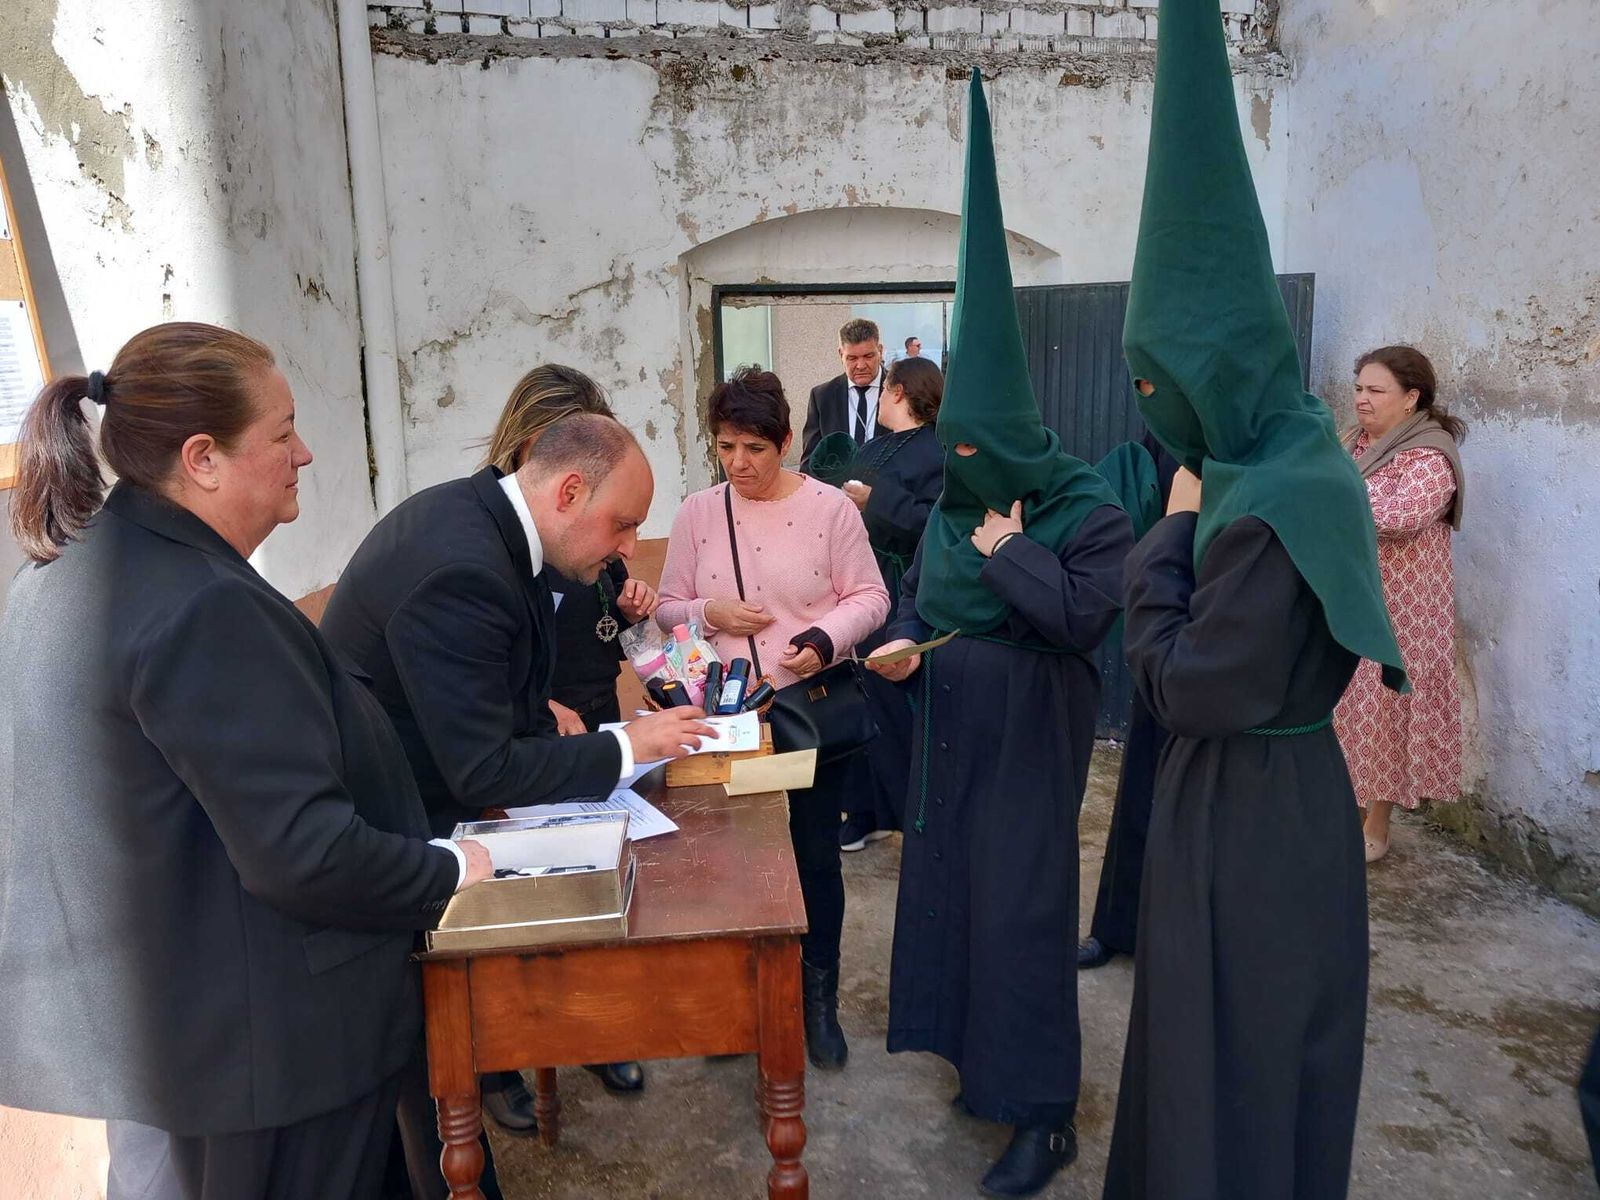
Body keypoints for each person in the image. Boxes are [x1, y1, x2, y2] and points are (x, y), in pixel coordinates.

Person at [0, 322, 493, 1200]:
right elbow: (303, 853)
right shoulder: (201, 605)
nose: (303, 453)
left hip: (166, 1057)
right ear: (204, 458)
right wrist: (451, 867)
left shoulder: (63, 576)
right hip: (264, 1067)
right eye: (282, 432)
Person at [1101, 4, 1408, 1198]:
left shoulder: (1272, 494)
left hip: (1256, 819)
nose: (1158, 408)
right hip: (1252, 806)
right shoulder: (1276, 462)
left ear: (1219, 365)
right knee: (1210, 1042)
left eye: (1165, 379)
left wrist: (1172, 527)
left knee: (1237, 1051)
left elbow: (1186, 684)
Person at [866, 72, 1134, 1200]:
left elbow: (1077, 617)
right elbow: (928, 599)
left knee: (1022, 912)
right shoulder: (968, 493)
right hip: (950, 720)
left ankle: (1043, 1115)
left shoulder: (1091, 507)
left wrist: (1004, 550)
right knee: (950, 890)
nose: (964, 481)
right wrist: (904, 641)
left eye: (981, 463)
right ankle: (975, 1064)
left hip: (1031, 730)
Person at [320, 408, 710, 1148]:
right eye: (623, 526)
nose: (629, 548)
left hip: (431, 802)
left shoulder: (494, 527)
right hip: (393, 834)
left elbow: (498, 697)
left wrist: (544, 719)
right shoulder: (463, 564)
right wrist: (628, 744)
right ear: (568, 493)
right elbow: (482, 766)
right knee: (428, 1102)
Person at [656, 367, 889, 1069]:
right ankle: (739, 999)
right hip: (731, 724)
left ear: (786, 441)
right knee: (730, 865)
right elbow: (668, 608)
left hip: (807, 714)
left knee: (815, 856)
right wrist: (708, 613)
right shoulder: (699, 513)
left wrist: (825, 639)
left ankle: (817, 1000)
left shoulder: (830, 511)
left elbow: (871, 596)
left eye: (754, 448)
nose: (739, 464)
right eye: (725, 448)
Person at [486, 365, 657, 1097]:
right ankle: (500, 1067)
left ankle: (595, 1033)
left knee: (593, 906)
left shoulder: (598, 542)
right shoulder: (488, 540)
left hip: (596, 731)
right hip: (520, 744)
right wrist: (534, 712)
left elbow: (640, 642)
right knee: (512, 914)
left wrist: (639, 610)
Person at [1333, 345, 1467, 864]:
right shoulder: (1352, 443)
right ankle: (1336, 811)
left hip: (1404, 614)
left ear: (1411, 398)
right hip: (1350, 599)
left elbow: (1399, 516)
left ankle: (1377, 823)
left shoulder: (1431, 458)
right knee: (1340, 707)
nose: (1362, 400)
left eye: (1375, 390)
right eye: (1359, 388)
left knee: (1386, 712)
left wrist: (1328, 495)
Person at [1078, 430, 1180, 970]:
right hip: (1165, 619)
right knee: (1140, 782)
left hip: (1219, 632)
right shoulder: (1169, 426)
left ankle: (1178, 943)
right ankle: (1118, 927)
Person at [835, 356, 944, 851]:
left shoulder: (940, 451)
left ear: (899, 391)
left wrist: (872, 502)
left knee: (895, 704)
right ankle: (866, 811)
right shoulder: (875, 445)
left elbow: (936, 523)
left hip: (903, 589)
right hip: (857, 584)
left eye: (883, 391)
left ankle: (914, 813)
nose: (877, 399)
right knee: (857, 700)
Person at [801, 317, 889, 461]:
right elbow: (811, 461)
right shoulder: (822, 396)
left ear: (880, 351)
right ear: (841, 354)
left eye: (868, 356)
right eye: (852, 358)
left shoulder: (902, 391)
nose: (860, 365)